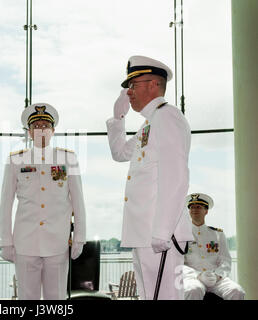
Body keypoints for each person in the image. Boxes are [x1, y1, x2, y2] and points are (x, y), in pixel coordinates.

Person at [106, 55, 193, 300]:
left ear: (153, 84)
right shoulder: (149, 124)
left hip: (160, 234)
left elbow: (176, 178)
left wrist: (163, 231)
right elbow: (120, 153)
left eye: (133, 86)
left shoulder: (168, 117)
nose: (129, 93)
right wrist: (117, 119)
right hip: (145, 232)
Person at [0, 103, 86, 300]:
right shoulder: (16, 160)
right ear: (29, 132)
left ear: (53, 131)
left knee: (56, 299)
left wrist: (80, 237)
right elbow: (6, 204)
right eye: (36, 126)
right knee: (27, 298)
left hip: (57, 242)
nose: (41, 130)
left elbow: (78, 201)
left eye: (45, 126)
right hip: (25, 242)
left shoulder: (67, 159)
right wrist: (6, 241)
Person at [182, 193, 245, 300]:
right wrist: (198, 275)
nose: (194, 210)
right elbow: (178, 263)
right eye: (192, 207)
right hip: (193, 278)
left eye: (198, 207)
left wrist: (217, 275)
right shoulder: (182, 235)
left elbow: (225, 260)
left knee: (237, 291)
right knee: (193, 290)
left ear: (206, 211)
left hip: (216, 278)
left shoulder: (217, 234)